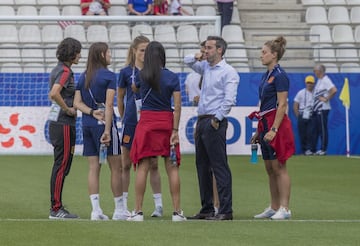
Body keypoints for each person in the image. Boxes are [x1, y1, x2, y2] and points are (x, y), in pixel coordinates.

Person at [127, 41, 186, 222]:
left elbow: (134, 88)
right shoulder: (172, 77)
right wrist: (175, 130)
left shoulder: (142, 75)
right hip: (166, 122)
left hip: (147, 122)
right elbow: (177, 105)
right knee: (172, 167)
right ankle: (177, 212)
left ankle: (137, 212)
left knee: (143, 167)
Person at [184, 36, 239, 221]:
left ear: (219, 50)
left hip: (214, 120)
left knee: (219, 165)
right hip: (202, 119)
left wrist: (217, 118)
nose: (205, 51)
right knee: (202, 166)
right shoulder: (206, 66)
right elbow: (187, 61)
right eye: (205, 48)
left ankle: (225, 209)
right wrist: (197, 55)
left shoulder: (228, 71)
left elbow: (229, 99)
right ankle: (207, 208)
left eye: (209, 48)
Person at [73, 42, 125, 221]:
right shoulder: (109, 76)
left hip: (87, 124)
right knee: (116, 168)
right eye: (109, 52)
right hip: (104, 125)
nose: (111, 56)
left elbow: (77, 103)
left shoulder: (84, 75)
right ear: (102, 54)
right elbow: (109, 104)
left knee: (94, 167)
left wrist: (91, 112)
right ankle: (119, 210)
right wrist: (108, 129)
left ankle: (96, 211)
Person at [117, 36, 164, 218]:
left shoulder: (156, 72)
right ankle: (122, 206)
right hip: (131, 123)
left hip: (150, 122)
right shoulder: (125, 72)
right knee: (126, 164)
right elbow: (120, 97)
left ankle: (158, 205)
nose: (145, 54)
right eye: (142, 50)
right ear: (134, 51)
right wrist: (124, 117)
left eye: (148, 50)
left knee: (153, 163)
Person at [249, 36, 295, 220]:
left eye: (264, 52)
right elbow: (264, 105)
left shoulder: (280, 76)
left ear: (274, 55)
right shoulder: (265, 75)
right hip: (265, 123)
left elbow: (282, 105)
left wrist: (274, 129)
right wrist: (259, 131)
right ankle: (274, 205)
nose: (261, 56)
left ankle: (285, 208)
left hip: (276, 124)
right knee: (269, 167)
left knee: (280, 166)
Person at [48, 37, 82, 219]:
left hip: (57, 123)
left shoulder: (57, 69)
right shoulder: (66, 71)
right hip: (63, 124)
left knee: (61, 164)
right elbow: (54, 93)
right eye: (78, 51)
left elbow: (52, 93)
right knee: (62, 165)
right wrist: (68, 109)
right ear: (72, 53)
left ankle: (56, 205)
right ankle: (56, 208)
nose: (80, 55)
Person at [312, 64, 337, 156]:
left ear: (320, 71)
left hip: (323, 108)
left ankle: (323, 149)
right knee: (318, 129)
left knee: (322, 129)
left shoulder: (326, 80)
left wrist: (326, 99)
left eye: (315, 70)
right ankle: (318, 149)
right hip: (317, 109)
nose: (314, 72)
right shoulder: (319, 80)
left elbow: (334, 90)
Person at [293, 75, 316, 155]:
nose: (309, 84)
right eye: (308, 83)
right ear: (306, 83)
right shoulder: (301, 92)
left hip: (312, 115)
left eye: (311, 83)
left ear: (314, 83)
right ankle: (304, 150)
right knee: (302, 134)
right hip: (302, 114)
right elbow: (295, 105)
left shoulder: (316, 93)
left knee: (311, 133)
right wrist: (298, 116)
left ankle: (311, 150)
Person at [184, 41, 205, 106]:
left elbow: (187, 91)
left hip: (207, 103)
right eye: (202, 52)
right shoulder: (198, 69)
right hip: (195, 103)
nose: (203, 54)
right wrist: (195, 57)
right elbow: (186, 60)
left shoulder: (190, 75)